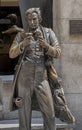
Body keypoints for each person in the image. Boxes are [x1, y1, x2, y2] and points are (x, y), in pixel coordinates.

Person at [9, 7, 75, 130]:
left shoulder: (49, 33)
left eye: (34, 19)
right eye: (29, 20)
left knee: (49, 112)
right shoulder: (21, 34)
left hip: (42, 77)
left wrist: (46, 45)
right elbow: (11, 54)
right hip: (24, 78)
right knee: (23, 112)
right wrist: (23, 44)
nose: (32, 22)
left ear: (39, 19)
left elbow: (58, 52)